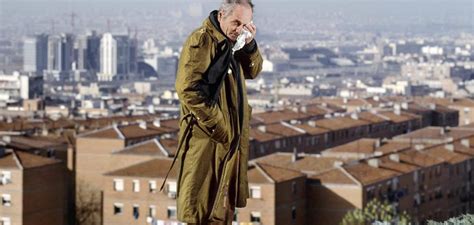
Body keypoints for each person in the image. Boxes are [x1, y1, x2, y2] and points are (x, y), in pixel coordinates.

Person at [161, 0, 263, 224]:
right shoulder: (203, 40)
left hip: (226, 139)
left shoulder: (233, 43)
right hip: (207, 138)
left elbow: (253, 71)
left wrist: (250, 45)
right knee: (201, 207)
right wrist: (221, 128)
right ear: (220, 16)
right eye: (236, 22)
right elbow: (188, 88)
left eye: (246, 24)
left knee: (221, 204)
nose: (240, 29)